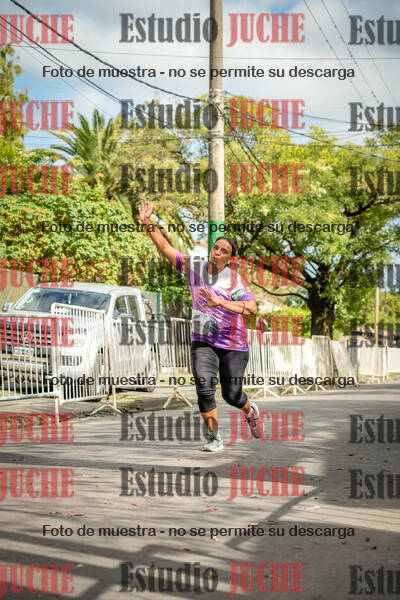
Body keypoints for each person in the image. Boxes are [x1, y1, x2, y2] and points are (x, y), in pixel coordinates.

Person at [138, 201, 261, 452]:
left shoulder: (234, 281)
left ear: (229, 259)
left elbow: (252, 308)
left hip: (233, 344)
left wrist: (220, 302)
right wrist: (147, 222)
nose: (217, 253)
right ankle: (214, 437)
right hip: (203, 339)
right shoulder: (195, 267)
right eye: (215, 248)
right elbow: (165, 248)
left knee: (231, 395)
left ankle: (249, 410)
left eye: (223, 251)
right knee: (204, 387)